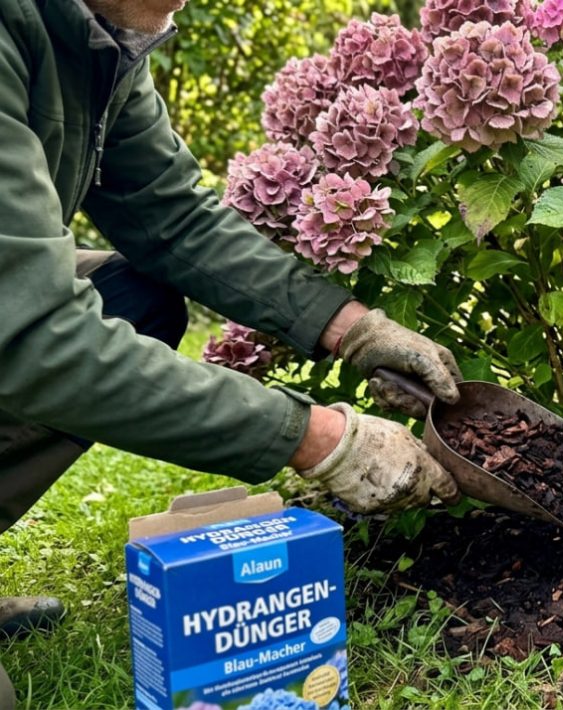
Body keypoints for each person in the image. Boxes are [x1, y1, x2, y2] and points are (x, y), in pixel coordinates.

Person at [0, 1, 463, 704]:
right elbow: (35, 337)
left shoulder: (101, 36)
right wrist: (319, 438)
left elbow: (173, 217)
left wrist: (352, 327)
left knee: (133, 298)